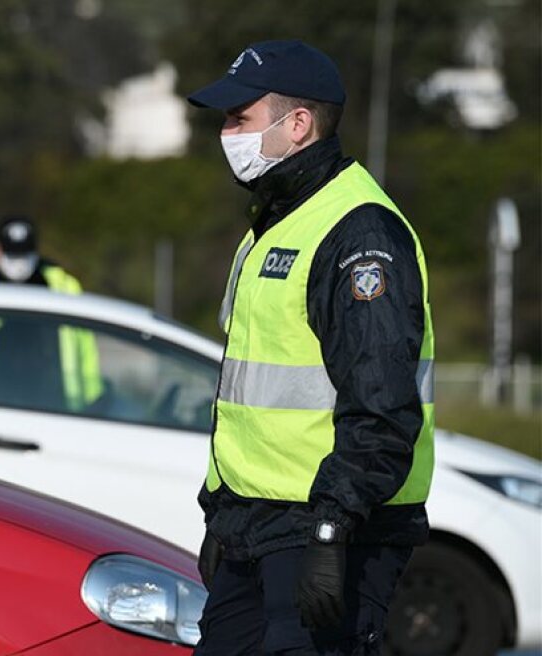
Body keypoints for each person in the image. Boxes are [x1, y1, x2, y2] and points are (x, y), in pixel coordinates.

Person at [187, 40, 434, 655]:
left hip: (333, 530)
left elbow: (380, 406)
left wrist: (332, 527)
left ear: (296, 125)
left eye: (238, 118)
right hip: (258, 527)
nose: (226, 133)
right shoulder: (275, 221)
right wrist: (222, 513)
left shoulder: (358, 233)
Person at [0, 215, 101, 411]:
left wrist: (92, 401)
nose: (19, 264)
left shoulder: (63, 287)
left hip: (59, 403)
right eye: (12, 255)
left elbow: (86, 350)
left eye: (24, 255)